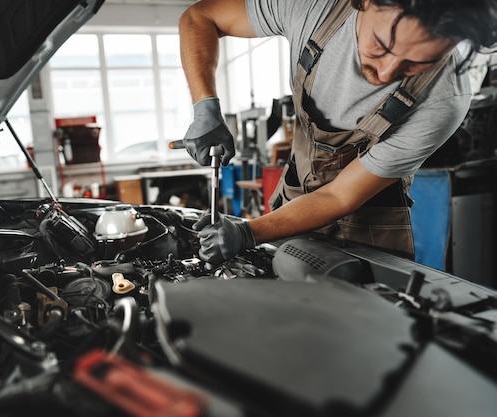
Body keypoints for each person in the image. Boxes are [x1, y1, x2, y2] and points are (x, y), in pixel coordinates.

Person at [180, 0, 497, 264]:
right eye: (381, 45)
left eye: (417, 63)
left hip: (368, 226)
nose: (385, 73)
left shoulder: (443, 101)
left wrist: (247, 232)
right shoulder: (313, 7)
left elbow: (339, 195)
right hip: (292, 199)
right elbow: (200, 17)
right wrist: (205, 105)